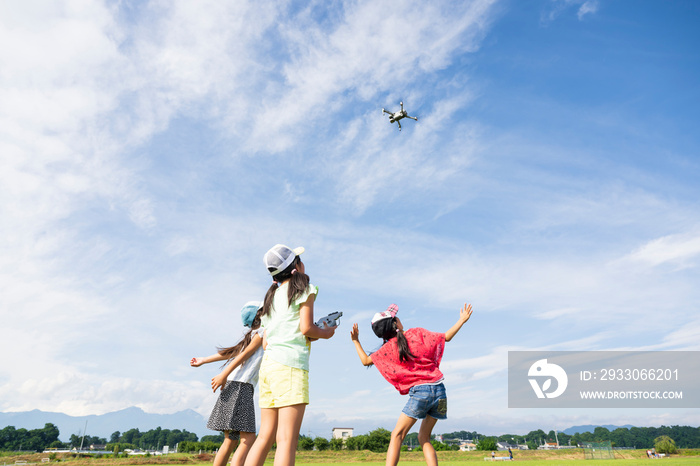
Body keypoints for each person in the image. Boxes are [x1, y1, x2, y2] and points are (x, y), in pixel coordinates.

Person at [243, 244, 337, 466]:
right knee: (286, 440)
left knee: (265, 436)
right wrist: (325, 333)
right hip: (290, 367)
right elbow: (306, 329)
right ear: (296, 266)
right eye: (299, 259)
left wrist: (308, 333)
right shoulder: (305, 289)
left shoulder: (270, 297)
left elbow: (267, 341)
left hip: (269, 369)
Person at [351, 302, 473, 466]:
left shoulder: (388, 348)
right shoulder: (416, 332)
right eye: (397, 317)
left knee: (397, 435)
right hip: (441, 394)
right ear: (395, 323)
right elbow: (446, 337)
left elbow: (366, 361)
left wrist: (355, 341)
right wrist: (462, 320)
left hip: (421, 394)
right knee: (424, 437)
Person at [191, 302, 265, 466]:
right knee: (248, 439)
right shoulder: (261, 333)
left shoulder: (251, 335)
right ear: (259, 314)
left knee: (231, 440)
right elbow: (243, 354)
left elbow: (230, 352)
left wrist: (204, 360)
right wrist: (223, 374)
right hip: (241, 386)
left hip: (233, 386)